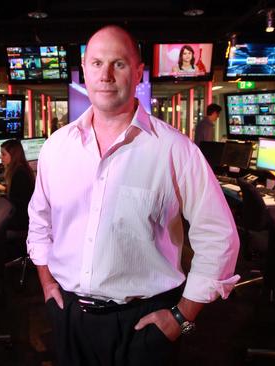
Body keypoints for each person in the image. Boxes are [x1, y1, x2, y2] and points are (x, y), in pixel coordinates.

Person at [27, 25, 240, 366]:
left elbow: (219, 236)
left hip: (145, 322)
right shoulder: (56, 147)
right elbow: (39, 219)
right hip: (69, 315)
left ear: (139, 72)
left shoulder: (175, 150)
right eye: (96, 63)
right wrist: (46, 282)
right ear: (84, 71)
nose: (106, 75)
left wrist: (183, 315)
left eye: (119, 64)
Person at [0, 139, 35, 231]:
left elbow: (16, 204)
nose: (0, 157)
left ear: (13, 155)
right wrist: (5, 189)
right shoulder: (22, 168)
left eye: (3, 154)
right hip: (25, 218)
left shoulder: (19, 173)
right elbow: (20, 194)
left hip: (20, 223)